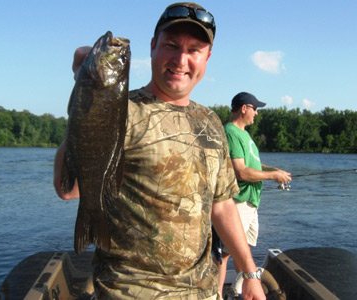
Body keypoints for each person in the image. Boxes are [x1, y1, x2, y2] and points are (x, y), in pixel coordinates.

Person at [54, 3, 266, 299]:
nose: (181, 59)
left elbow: (223, 205)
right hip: (128, 292)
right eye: (171, 45)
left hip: (202, 292)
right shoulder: (122, 111)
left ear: (207, 58)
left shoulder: (211, 123)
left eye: (194, 50)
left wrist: (249, 272)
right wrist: (86, 98)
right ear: (153, 47)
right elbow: (70, 189)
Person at [212, 92, 292, 294]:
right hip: (237, 203)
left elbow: (253, 164)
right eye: (255, 108)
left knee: (243, 252)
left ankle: (244, 292)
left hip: (250, 204)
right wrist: (273, 175)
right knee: (224, 254)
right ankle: (216, 295)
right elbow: (241, 171)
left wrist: (274, 171)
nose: (257, 113)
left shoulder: (245, 135)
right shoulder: (230, 131)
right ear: (244, 108)